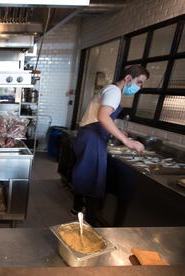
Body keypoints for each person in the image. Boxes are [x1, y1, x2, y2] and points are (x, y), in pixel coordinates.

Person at [71, 65, 149, 226]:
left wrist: (117, 133)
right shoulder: (114, 91)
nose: (139, 87)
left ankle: (79, 210)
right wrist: (127, 141)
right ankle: (90, 223)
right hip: (92, 138)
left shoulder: (110, 90)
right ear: (128, 78)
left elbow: (102, 118)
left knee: (87, 175)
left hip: (89, 135)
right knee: (93, 179)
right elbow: (103, 116)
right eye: (139, 82)